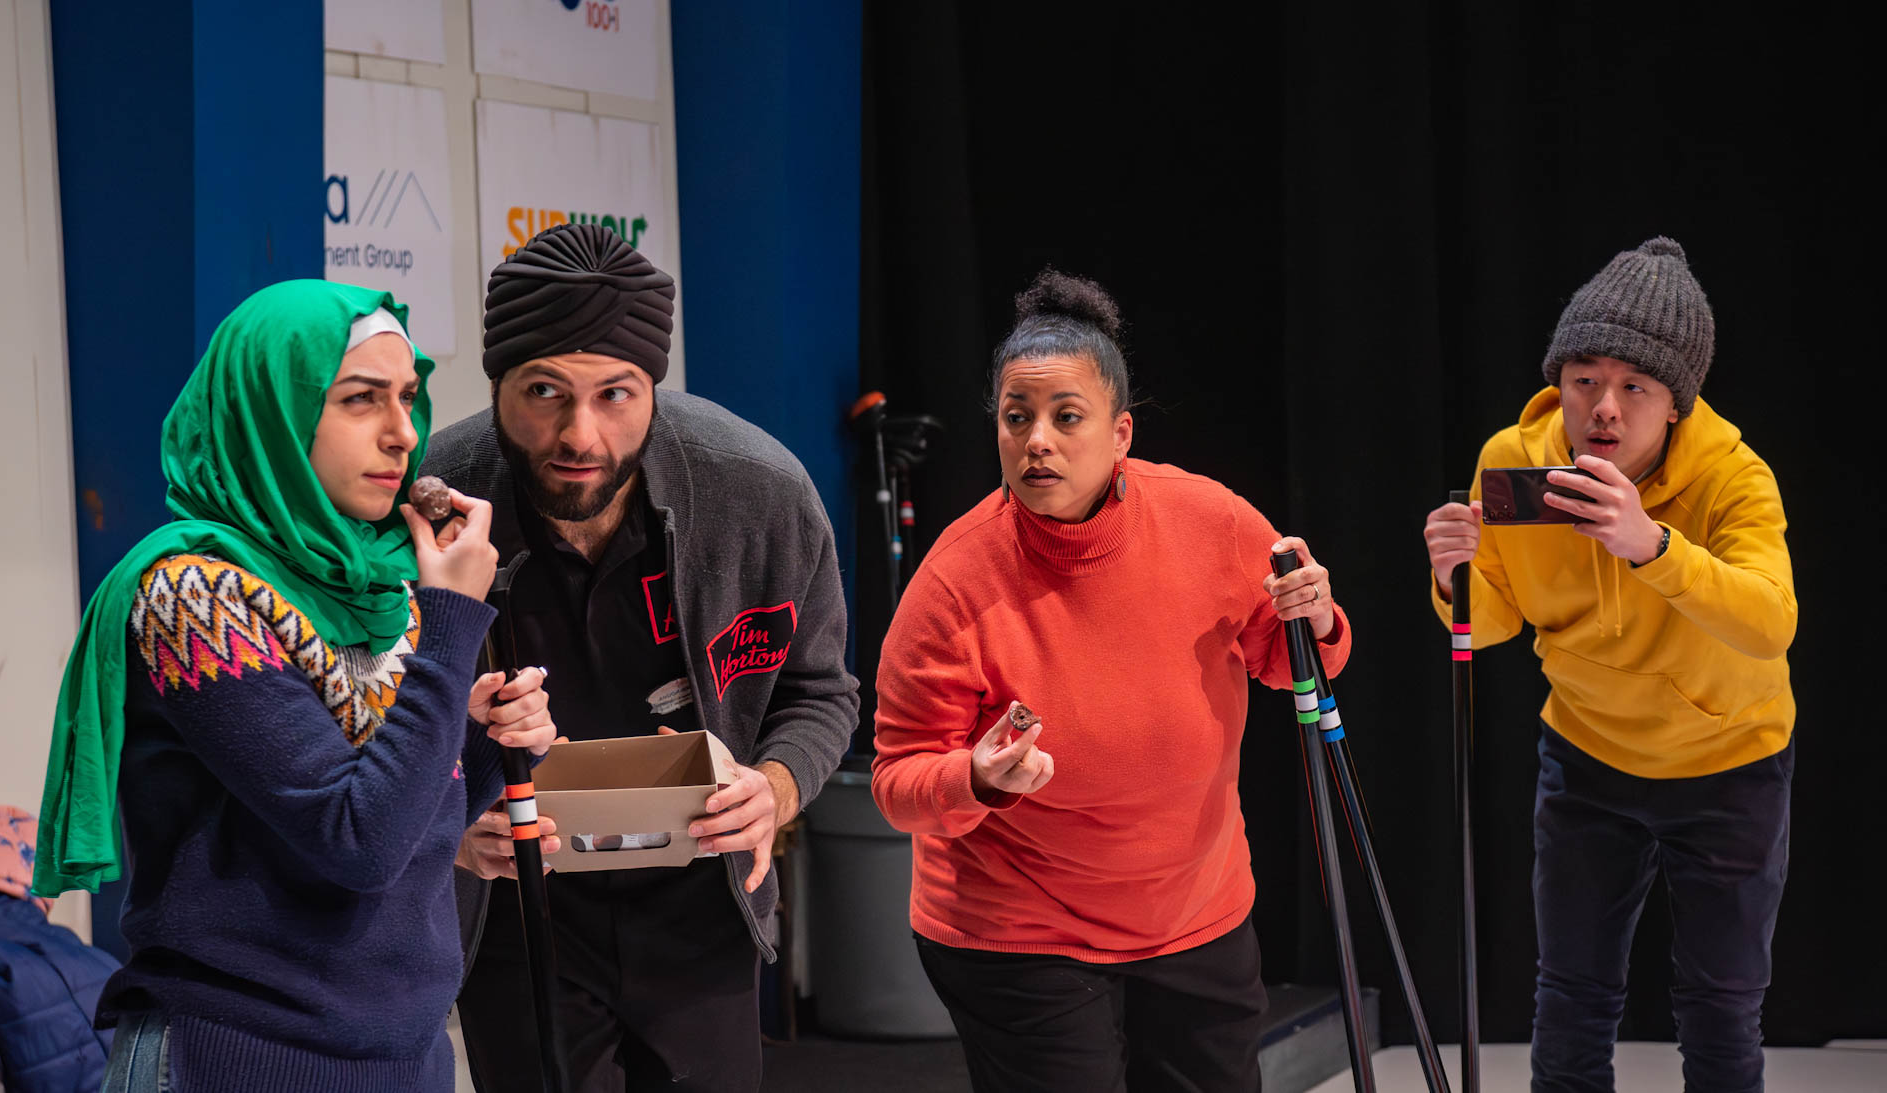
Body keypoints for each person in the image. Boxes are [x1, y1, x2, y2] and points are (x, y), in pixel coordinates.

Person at [31, 281, 559, 1092]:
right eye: (360, 400)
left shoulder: (382, 587)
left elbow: (409, 823)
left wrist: (480, 741)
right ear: (272, 409)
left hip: (404, 1053)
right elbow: (360, 842)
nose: (402, 434)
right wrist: (451, 628)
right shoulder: (193, 596)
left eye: (409, 398)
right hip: (240, 1055)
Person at [871, 270, 1351, 1092]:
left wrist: (1317, 617)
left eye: (1066, 418)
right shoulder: (954, 579)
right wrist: (975, 778)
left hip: (1193, 904)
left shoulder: (1213, 522)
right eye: (1016, 419)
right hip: (1019, 925)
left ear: (1120, 433)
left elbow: (1289, 659)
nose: (1037, 442)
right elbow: (896, 781)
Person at [428, 223, 858, 1092]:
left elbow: (821, 694)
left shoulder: (758, 492)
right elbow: (370, 715)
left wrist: (771, 792)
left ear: (653, 387)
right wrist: (443, 820)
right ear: (497, 383)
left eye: (616, 394)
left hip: (700, 893)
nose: (580, 433)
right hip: (519, 906)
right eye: (544, 390)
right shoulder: (432, 500)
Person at [1423, 237, 1795, 1093]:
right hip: (1587, 755)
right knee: (1573, 993)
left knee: (1720, 1003)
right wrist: (1455, 581)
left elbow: (1771, 622)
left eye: (1637, 387)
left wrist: (1652, 545)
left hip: (1731, 763)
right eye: (1585, 379)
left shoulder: (1734, 480)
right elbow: (1493, 625)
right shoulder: (1513, 461)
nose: (1604, 409)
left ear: (1677, 406)